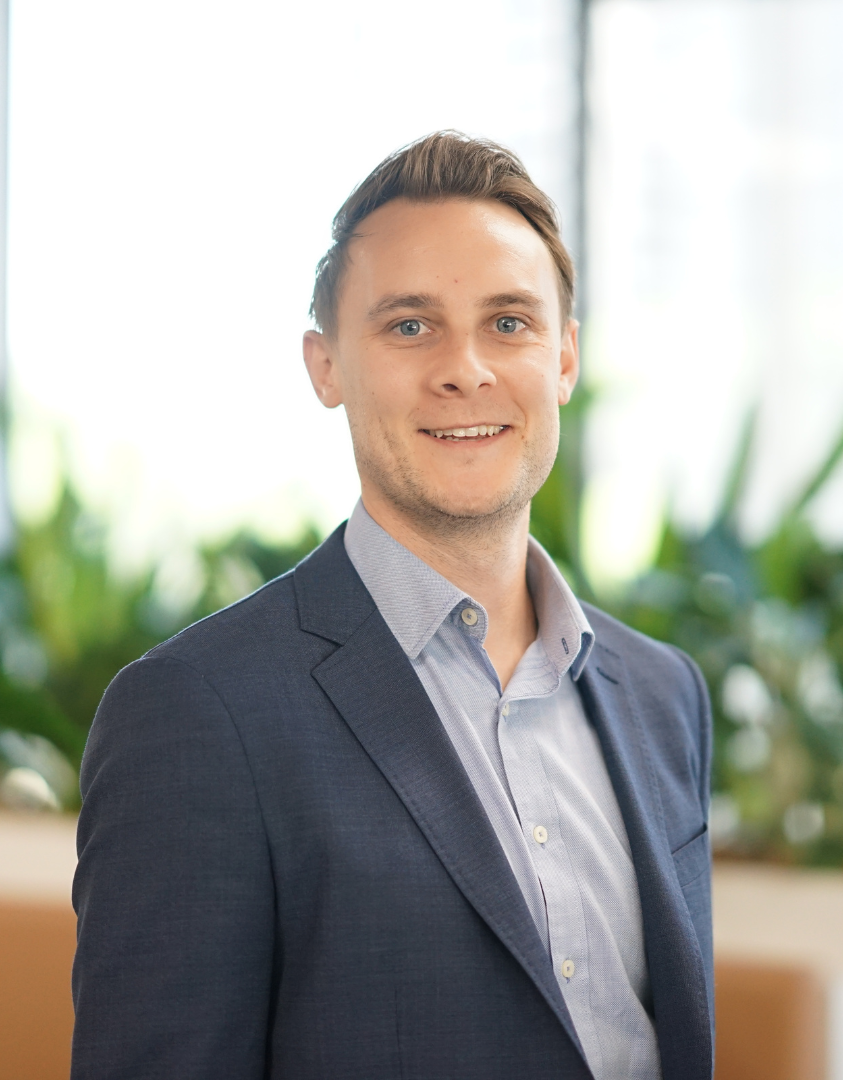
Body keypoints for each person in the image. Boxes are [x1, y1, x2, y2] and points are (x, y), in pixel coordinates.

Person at [71, 131, 714, 1080]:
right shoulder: (196, 713)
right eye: (410, 326)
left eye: (509, 323)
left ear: (564, 359)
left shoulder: (664, 696)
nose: (466, 368)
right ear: (326, 367)